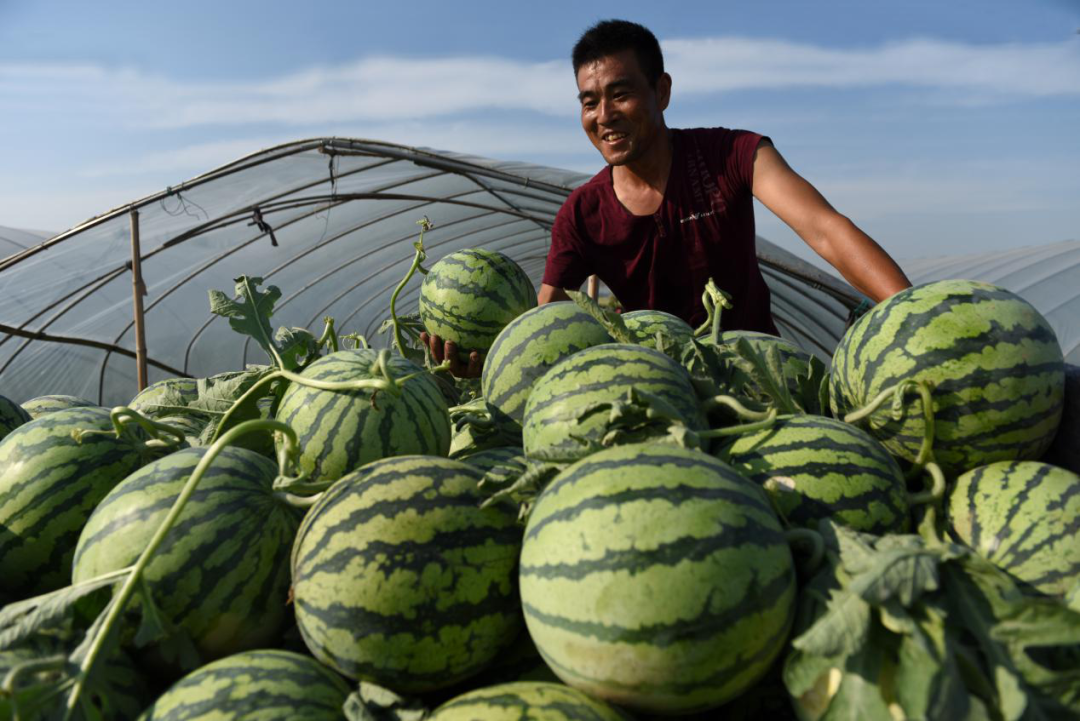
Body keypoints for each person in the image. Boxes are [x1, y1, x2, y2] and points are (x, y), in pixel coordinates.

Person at [425, 18, 911, 376]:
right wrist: (487, 365)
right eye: (589, 102)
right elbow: (542, 320)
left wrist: (913, 315)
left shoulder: (733, 153)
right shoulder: (583, 212)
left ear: (662, 91)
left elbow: (825, 228)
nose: (604, 115)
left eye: (621, 94)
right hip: (657, 391)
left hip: (761, 379)